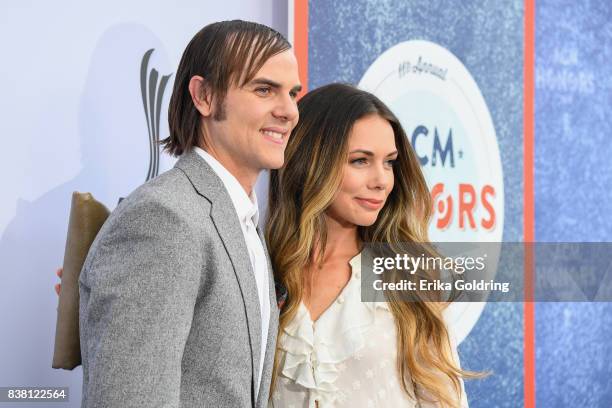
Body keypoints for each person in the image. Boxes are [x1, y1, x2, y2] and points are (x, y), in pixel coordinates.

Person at [74, 20, 301, 408]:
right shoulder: (163, 219)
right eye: (264, 89)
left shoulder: (240, 219)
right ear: (204, 95)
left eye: (293, 94)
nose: (289, 111)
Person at [265, 83, 480, 407]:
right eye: (361, 161)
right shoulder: (262, 269)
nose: (382, 180)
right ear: (311, 162)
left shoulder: (407, 275)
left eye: (390, 162)